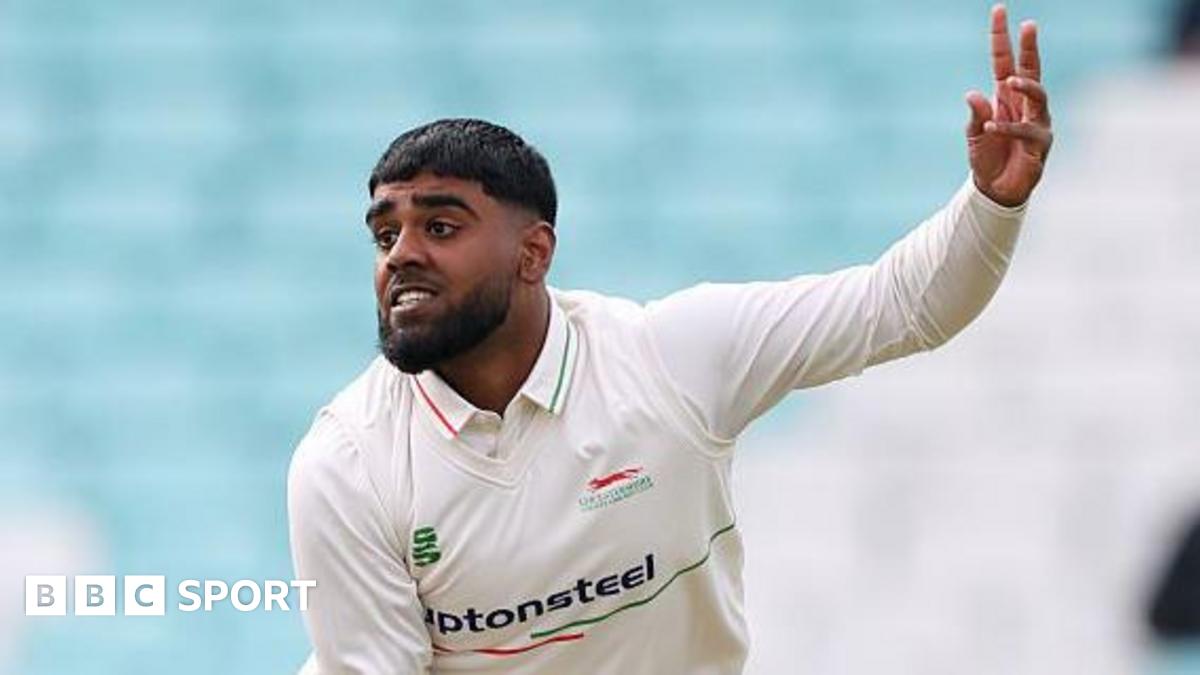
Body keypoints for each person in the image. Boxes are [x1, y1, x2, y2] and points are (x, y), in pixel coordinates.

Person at [286, 4, 1053, 673]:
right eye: (384, 234)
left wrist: (992, 203)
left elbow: (902, 306)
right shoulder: (350, 461)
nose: (401, 254)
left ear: (534, 252)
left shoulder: (671, 358)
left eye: (439, 226)